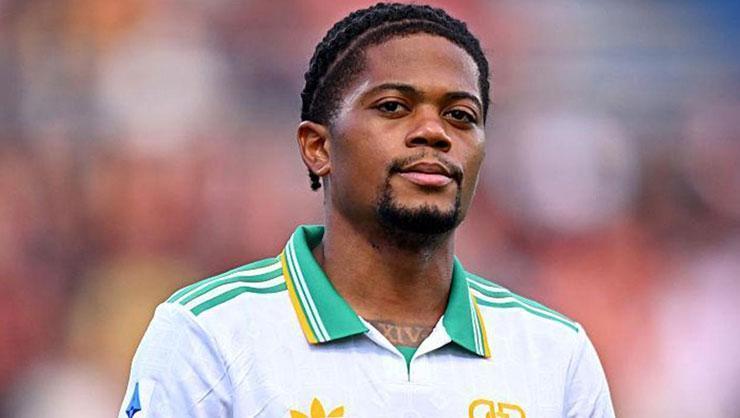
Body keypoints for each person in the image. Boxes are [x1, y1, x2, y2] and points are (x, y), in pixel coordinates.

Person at [118, 3, 614, 417]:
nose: (434, 132)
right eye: (393, 106)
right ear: (318, 147)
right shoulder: (209, 335)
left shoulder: (555, 354)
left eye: (460, 115)